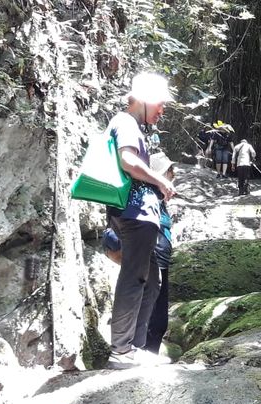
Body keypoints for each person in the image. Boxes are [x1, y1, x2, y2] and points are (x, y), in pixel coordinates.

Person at [105, 72, 177, 368]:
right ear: (144, 100)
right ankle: (121, 350)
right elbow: (128, 160)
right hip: (134, 214)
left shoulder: (132, 124)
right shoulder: (125, 122)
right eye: (159, 104)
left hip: (139, 215)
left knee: (151, 280)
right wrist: (161, 180)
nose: (161, 111)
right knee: (134, 278)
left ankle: (133, 347)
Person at [102, 152, 175, 355]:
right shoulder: (144, 200)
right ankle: (130, 349)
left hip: (156, 255)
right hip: (155, 254)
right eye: (170, 171)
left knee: (152, 291)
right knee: (154, 310)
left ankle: (135, 348)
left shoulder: (153, 199)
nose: (173, 175)